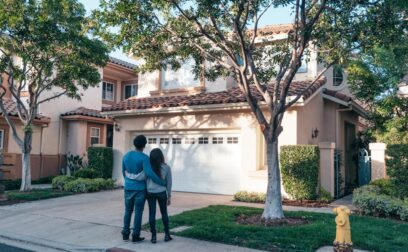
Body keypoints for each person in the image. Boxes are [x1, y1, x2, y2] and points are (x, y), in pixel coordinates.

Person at [121, 135, 166, 243]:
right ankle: (136, 235)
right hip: (140, 189)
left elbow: (124, 172)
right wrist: (162, 182)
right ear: (144, 145)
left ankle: (125, 234)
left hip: (128, 188)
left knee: (128, 211)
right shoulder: (144, 158)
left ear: (134, 144)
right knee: (138, 212)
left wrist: (128, 182)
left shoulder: (126, 156)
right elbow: (150, 174)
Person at [126, 148, 173, 243]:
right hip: (162, 193)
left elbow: (140, 177)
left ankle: (153, 237)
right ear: (161, 157)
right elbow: (169, 182)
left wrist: (128, 174)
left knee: (152, 214)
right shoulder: (166, 167)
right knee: (164, 213)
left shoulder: (148, 167)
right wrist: (169, 195)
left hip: (150, 193)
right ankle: (167, 235)